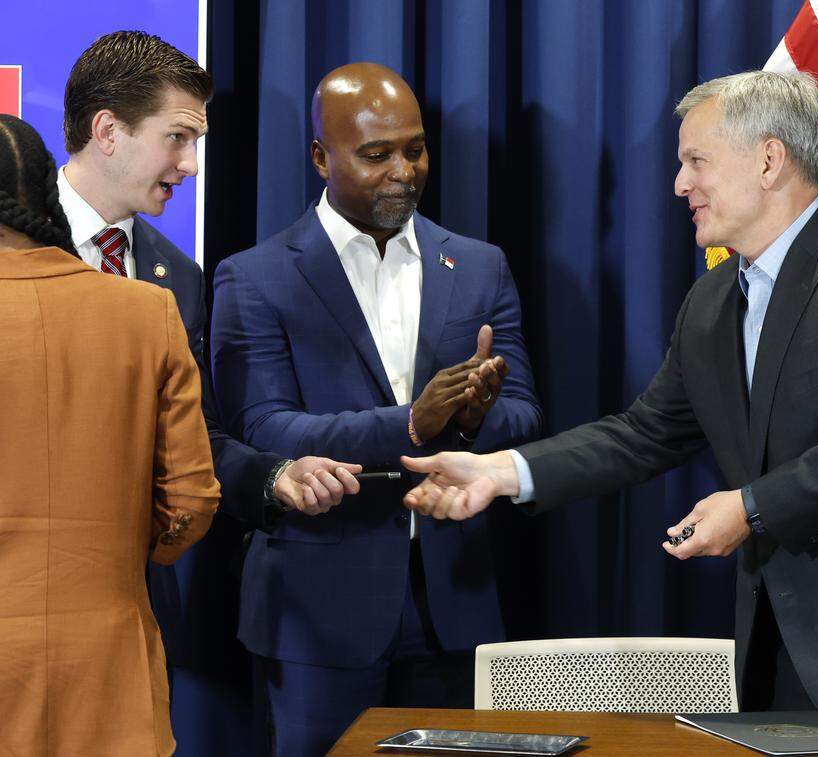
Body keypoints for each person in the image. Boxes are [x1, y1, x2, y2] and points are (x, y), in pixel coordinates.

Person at [401, 71, 818, 717]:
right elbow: (641, 434)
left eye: (696, 161)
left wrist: (750, 507)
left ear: (769, 159)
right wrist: (500, 471)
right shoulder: (712, 302)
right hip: (792, 652)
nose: (681, 183)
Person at [210, 62, 542, 754]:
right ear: (319, 157)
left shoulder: (480, 266)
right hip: (316, 616)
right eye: (376, 154)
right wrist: (414, 424)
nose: (403, 170)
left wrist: (477, 418)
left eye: (415, 149)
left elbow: (525, 415)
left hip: (457, 607)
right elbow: (265, 428)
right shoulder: (256, 276)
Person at [58, 30, 363, 752]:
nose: (191, 164)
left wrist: (273, 474)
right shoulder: (11, 244)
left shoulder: (179, 278)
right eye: (177, 138)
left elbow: (200, 433)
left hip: (133, 610)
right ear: (107, 130)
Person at [0, 114, 217, 756]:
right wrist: (110, 554)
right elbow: (192, 502)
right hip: (108, 663)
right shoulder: (147, 312)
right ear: (44, 195)